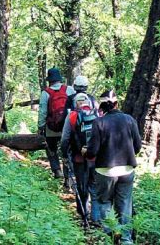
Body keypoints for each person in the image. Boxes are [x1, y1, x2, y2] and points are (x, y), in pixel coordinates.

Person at [82, 90, 141, 244]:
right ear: (117, 103)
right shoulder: (129, 120)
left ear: (101, 106)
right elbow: (137, 146)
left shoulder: (99, 122)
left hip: (105, 170)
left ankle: (110, 235)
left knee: (104, 202)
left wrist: (85, 152)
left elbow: (92, 151)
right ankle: (126, 239)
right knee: (125, 205)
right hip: (127, 170)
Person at [60, 92, 101, 227]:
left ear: (75, 103)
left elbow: (65, 139)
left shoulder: (72, 116)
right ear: (88, 102)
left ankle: (84, 216)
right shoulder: (97, 115)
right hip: (95, 158)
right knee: (94, 187)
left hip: (79, 159)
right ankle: (95, 218)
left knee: (81, 186)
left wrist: (65, 155)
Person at [38, 68, 75, 179]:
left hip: (51, 129)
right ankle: (68, 175)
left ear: (49, 80)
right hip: (67, 127)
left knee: (51, 148)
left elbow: (42, 112)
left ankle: (57, 170)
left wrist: (40, 127)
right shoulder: (69, 90)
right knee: (67, 150)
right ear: (59, 79)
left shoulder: (45, 93)